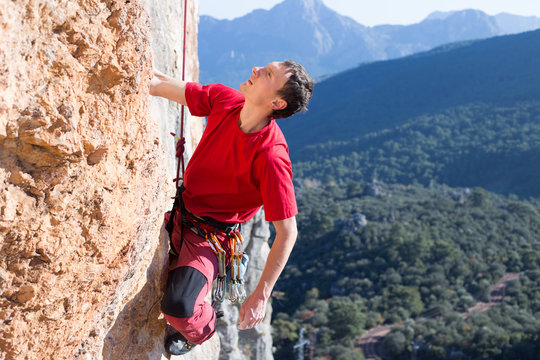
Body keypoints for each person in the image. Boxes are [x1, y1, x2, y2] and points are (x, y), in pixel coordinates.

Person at [149, 60, 314, 355]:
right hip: (181, 210)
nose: (256, 69)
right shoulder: (227, 100)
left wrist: (261, 295)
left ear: (277, 102)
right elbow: (162, 84)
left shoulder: (271, 156)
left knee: (179, 308)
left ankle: (203, 327)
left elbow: (287, 232)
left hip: (209, 237)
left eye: (268, 74)